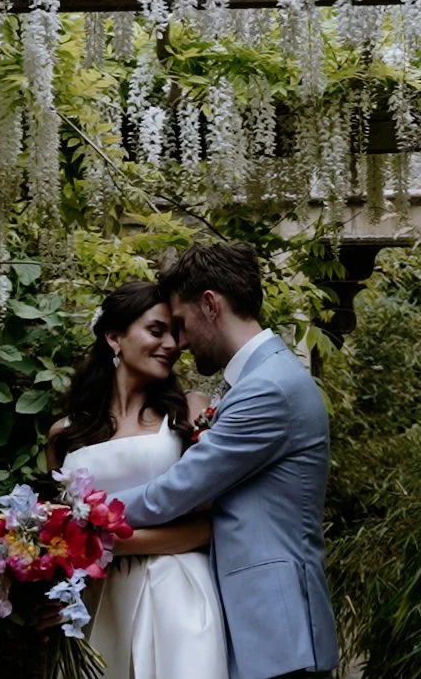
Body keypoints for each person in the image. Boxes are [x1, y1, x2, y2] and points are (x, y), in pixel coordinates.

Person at [109, 243, 339, 679]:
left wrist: (80, 514)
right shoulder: (261, 380)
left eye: (180, 323)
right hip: (264, 631)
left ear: (211, 305)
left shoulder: (268, 389)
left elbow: (175, 492)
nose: (179, 341)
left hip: (276, 632)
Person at [47, 281, 228, 679]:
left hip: (176, 592)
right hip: (97, 601)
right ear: (114, 337)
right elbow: (60, 533)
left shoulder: (188, 413)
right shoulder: (65, 434)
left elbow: (211, 525)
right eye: (156, 330)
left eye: (175, 335)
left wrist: (104, 543)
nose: (172, 344)